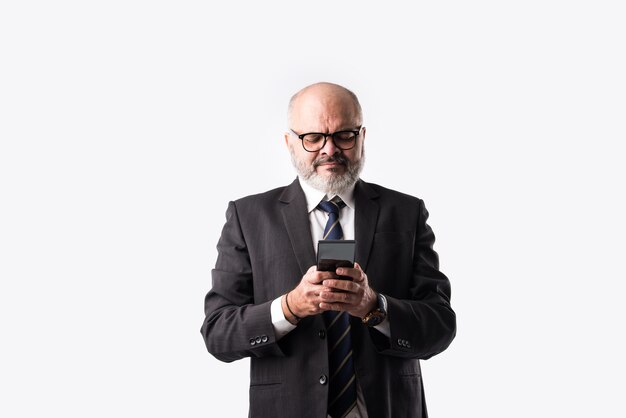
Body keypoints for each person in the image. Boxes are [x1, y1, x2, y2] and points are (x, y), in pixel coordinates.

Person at [201, 82, 456, 418]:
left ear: (362, 136)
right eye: (313, 137)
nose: (329, 149)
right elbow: (219, 333)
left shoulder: (406, 212)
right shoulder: (248, 217)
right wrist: (289, 308)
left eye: (344, 136)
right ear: (289, 141)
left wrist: (373, 307)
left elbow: (439, 326)